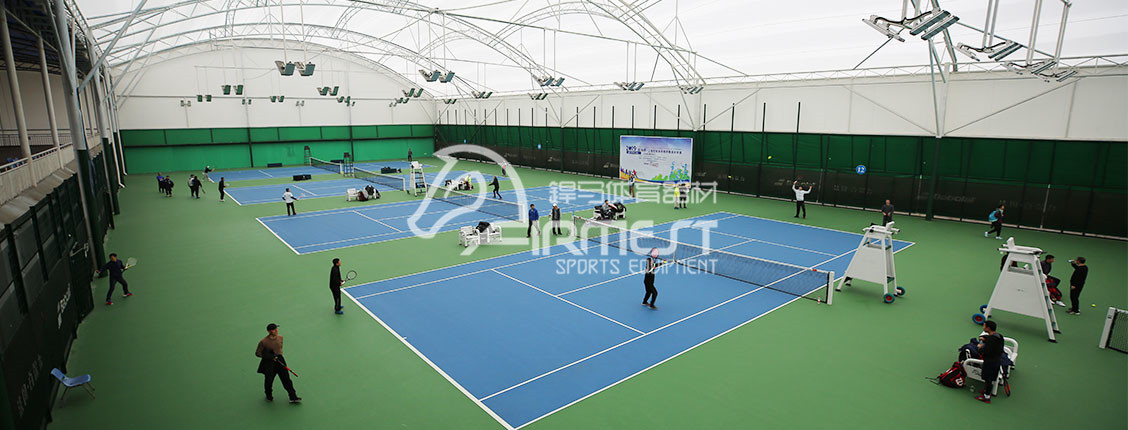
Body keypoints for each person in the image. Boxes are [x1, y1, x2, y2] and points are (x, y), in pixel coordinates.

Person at [255, 323, 301, 403]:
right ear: (269, 331)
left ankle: (293, 397)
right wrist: (269, 356)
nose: (276, 330)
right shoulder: (263, 342)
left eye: (276, 328)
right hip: (269, 363)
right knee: (269, 381)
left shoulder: (280, 338)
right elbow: (258, 353)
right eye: (274, 329)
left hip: (280, 360)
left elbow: (279, 349)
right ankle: (269, 395)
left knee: (287, 379)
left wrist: (277, 356)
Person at [975, 321, 1004, 404]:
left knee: (988, 379)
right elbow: (991, 341)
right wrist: (984, 339)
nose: (983, 327)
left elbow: (987, 351)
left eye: (984, 326)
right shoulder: (999, 336)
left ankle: (986, 397)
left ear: (988, 328)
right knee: (988, 379)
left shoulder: (992, 340)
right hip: (996, 361)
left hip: (990, 362)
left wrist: (980, 347)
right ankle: (986, 391)